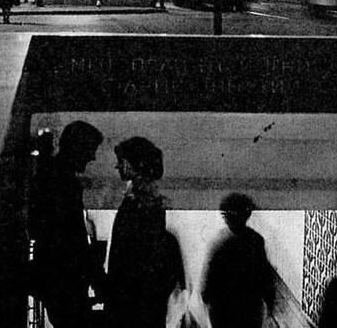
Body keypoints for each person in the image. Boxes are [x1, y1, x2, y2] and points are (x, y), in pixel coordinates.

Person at [30, 121, 105, 328]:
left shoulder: (51, 176)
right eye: (90, 150)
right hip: (65, 280)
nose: (93, 157)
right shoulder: (64, 183)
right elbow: (74, 238)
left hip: (55, 280)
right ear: (77, 147)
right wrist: (97, 276)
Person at [106, 137, 183, 328]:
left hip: (132, 303)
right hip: (145, 303)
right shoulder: (150, 201)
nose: (118, 166)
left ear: (135, 163)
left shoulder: (137, 203)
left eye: (122, 161)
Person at [201, 193, 275, 328]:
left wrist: (207, 300)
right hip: (250, 309)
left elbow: (207, 283)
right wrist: (269, 302)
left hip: (222, 309)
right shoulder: (256, 240)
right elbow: (265, 277)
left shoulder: (218, 241)